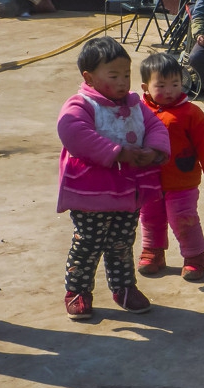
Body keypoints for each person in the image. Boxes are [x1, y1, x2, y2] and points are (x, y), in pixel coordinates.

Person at [57, 36, 169, 320]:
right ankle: (78, 291)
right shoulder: (81, 104)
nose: (122, 82)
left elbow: (154, 125)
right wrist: (117, 153)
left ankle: (124, 288)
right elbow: (72, 132)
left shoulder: (135, 104)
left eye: (126, 75)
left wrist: (154, 151)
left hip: (127, 190)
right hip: (92, 192)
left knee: (122, 240)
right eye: (114, 75)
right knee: (89, 241)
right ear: (89, 77)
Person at [136, 52, 204, 282]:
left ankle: (194, 257)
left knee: (183, 218)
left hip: (182, 180)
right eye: (161, 85)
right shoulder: (137, 112)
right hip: (148, 179)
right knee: (149, 217)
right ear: (145, 87)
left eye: (175, 84)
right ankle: (153, 252)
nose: (169, 90)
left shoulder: (191, 113)